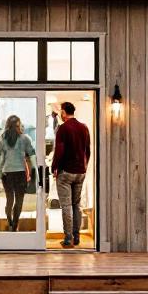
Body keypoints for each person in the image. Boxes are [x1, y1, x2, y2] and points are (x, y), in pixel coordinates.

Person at [51, 101, 91, 248]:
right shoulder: (84, 128)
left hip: (66, 172)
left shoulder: (63, 128)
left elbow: (59, 150)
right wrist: (84, 166)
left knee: (66, 206)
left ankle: (68, 239)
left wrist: (54, 166)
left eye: (61, 111)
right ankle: (77, 237)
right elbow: (88, 150)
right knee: (76, 205)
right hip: (80, 172)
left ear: (63, 112)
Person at [0, 114, 35, 232]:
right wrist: (35, 170)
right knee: (19, 200)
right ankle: (15, 225)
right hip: (20, 173)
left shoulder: (2, 139)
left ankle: (10, 221)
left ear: (7, 125)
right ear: (18, 125)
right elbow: (31, 154)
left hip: (7, 173)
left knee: (9, 199)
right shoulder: (25, 138)